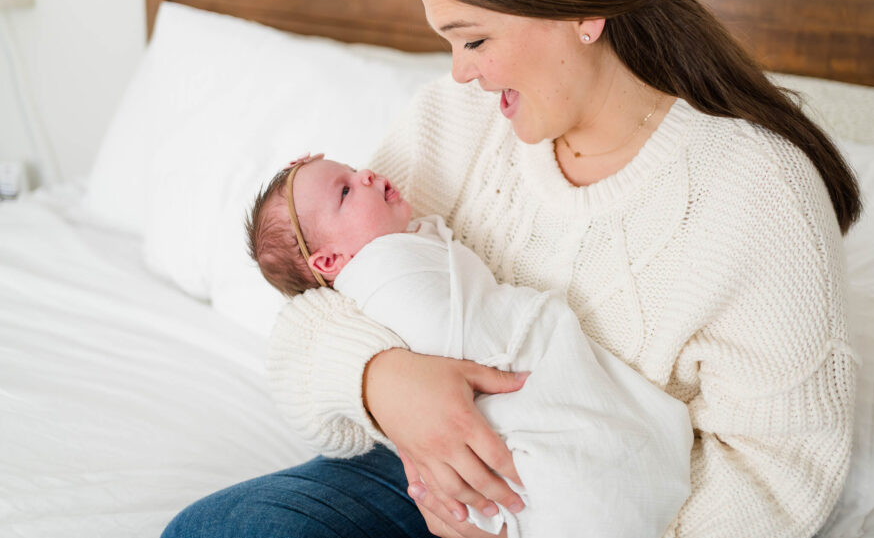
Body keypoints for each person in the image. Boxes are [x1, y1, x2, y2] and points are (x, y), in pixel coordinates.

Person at [162, 0, 860, 537]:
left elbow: (776, 472)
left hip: (606, 507)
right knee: (217, 530)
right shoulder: (454, 121)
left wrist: (570, 517)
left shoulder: (759, 193)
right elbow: (316, 301)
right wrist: (383, 381)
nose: (460, 73)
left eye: (473, 40)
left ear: (583, 12)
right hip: (427, 467)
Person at [240, 152, 692, 538]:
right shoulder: (378, 273)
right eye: (345, 190)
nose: (367, 175)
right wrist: (382, 382)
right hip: (452, 440)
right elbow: (307, 339)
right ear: (329, 261)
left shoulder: (391, 236)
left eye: (354, 171)